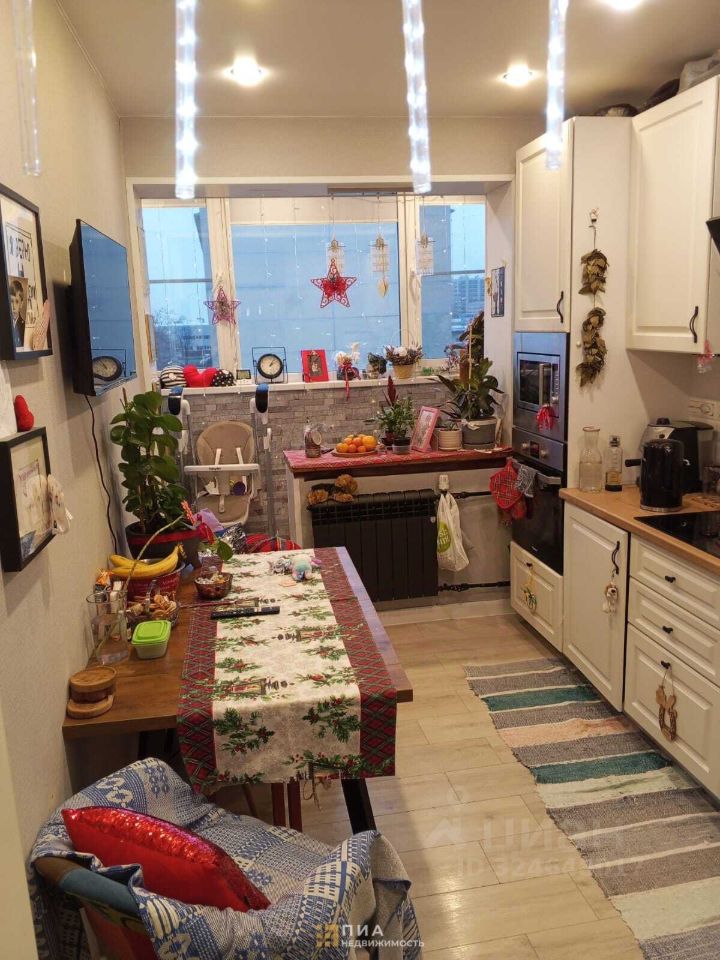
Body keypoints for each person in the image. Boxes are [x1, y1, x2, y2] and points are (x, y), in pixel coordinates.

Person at [9, 277, 27, 349]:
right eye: (11, 301)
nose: (13, 306)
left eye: (16, 302)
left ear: (21, 304)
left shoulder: (24, 326)